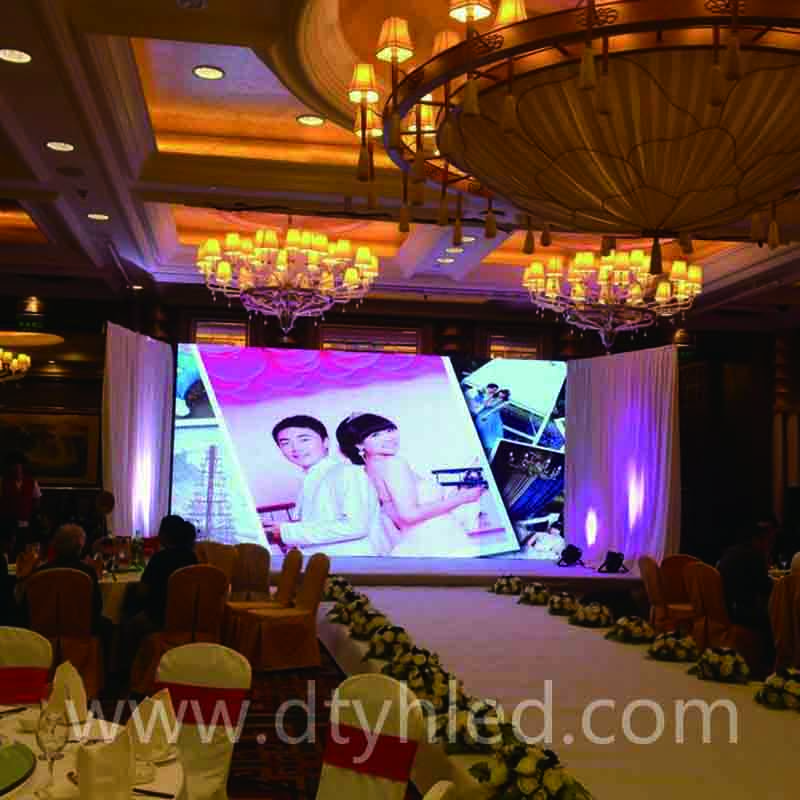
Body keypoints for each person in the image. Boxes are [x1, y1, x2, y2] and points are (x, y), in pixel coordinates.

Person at [336, 413, 485, 558]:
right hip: (441, 541)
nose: (389, 437)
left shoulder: (366, 471)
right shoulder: (394, 464)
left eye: (389, 430)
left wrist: (458, 494)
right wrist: (464, 498)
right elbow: (409, 515)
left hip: (417, 544)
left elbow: (395, 511)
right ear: (359, 444)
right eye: (375, 435)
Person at [264, 415, 387, 555]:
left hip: (354, 562)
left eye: (304, 439)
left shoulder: (347, 472)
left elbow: (356, 526)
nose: (295, 448)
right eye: (285, 443)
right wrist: (283, 530)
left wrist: (286, 531)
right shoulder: (313, 478)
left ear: (326, 442)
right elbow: (322, 522)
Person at [25, 524, 109, 636]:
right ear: (79, 548)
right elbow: (97, 606)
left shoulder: (40, 572)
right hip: (81, 629)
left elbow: (28, 606)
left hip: (43, 631)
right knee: (108, 625)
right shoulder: (87, 572)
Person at [718, 521, 775, 656]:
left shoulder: (730, 552)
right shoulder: (754, 556)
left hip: (724, 608)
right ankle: (770, 660)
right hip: (741, 613)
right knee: (778, 619)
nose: (768, 545)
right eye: (766, 541)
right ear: (756, 540)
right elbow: (764, 588)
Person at [136, 515, 199, 628]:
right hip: (186, 617)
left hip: (158, 618)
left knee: (127, 626)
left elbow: (142, 591)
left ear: (165, 535)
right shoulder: (192, 557)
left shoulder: (159, 558)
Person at [0, 452, 42, 557]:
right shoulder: (2, 481)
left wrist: (31, 514)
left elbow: (37, 500)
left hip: (25, 523)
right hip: (7, 522)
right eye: (14, 465)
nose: (17, 467)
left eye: (18, 465)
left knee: (23, 551)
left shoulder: (32, 482)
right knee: (7, 550)